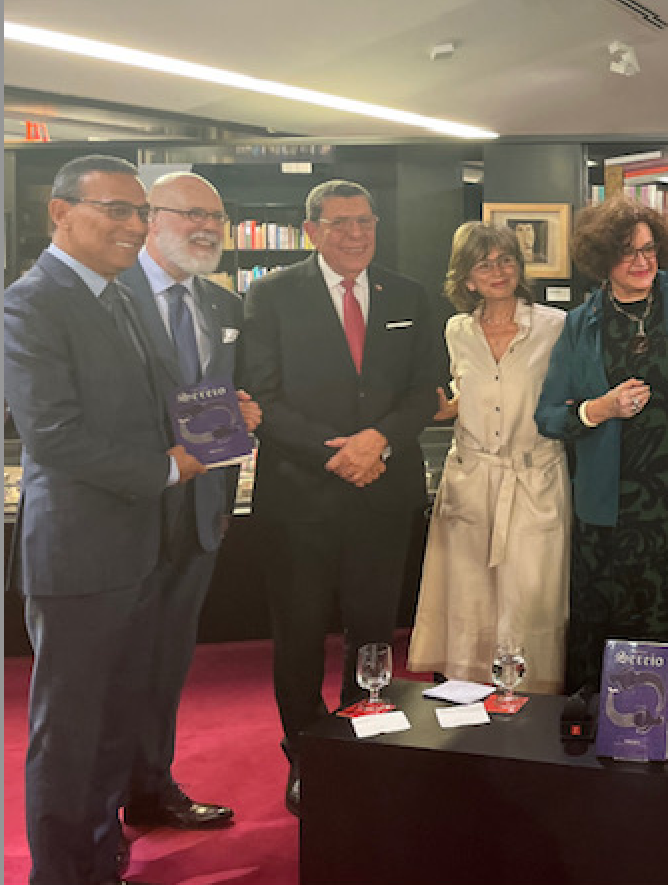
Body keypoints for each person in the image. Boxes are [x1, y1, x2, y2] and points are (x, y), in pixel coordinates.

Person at [4, 155, 206, 885]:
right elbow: (54, 435)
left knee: (114, 721)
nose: (134, 225)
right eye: (115, 210)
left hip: (138, 547)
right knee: (70, 733)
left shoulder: (117, 295)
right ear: (60, 213)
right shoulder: (31, 302)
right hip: (81, 555)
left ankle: (99, 858)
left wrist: (218, 419)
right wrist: (166, 469)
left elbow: (151, 403)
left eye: (140, 212)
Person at [240, 179, 441, 816]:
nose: (355, 234)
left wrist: (377, 440)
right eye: (340, 223)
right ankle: (306, 753)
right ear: (311, 231)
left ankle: (363, 738)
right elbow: (260, 394)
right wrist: (338, 453)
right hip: (299, 495)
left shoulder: (409, 294)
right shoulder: (271, 294)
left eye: (365, 222)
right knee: (299, 632)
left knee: (374, 630)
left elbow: (426, 389)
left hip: (384, 488)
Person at [535, 196, 668, 707]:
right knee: (620, 637)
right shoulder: (581, 323)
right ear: (602, 258)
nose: (642, 261)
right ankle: (622, 736)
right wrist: (598, 409)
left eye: (649, 249)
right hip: (615, 515)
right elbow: (549, 416)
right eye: (627, 252)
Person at [118, 171, 261, 831]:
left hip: (199, 515)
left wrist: (242, 414)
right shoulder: (108, 295)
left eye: (216, 217)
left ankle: (152, 788)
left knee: (167, 664)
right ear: (151, 218)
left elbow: (216, 402)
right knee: (110, 672)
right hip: (124, 514)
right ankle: (96, 817)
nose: (206, 228)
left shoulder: (224, 306)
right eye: (190, 214)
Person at [407, 223, 570, 692]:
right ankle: (469, 700)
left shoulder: (555, 326)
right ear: (467, 278)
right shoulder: (456, 331)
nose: (498, 271)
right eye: (484, 264)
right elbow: (466, 390)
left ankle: (532, 702)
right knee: (468, 599)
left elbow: (565, 394)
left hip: (534, 478)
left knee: (531, 599)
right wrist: (453, 406)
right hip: (471, 480)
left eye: (506, 260)